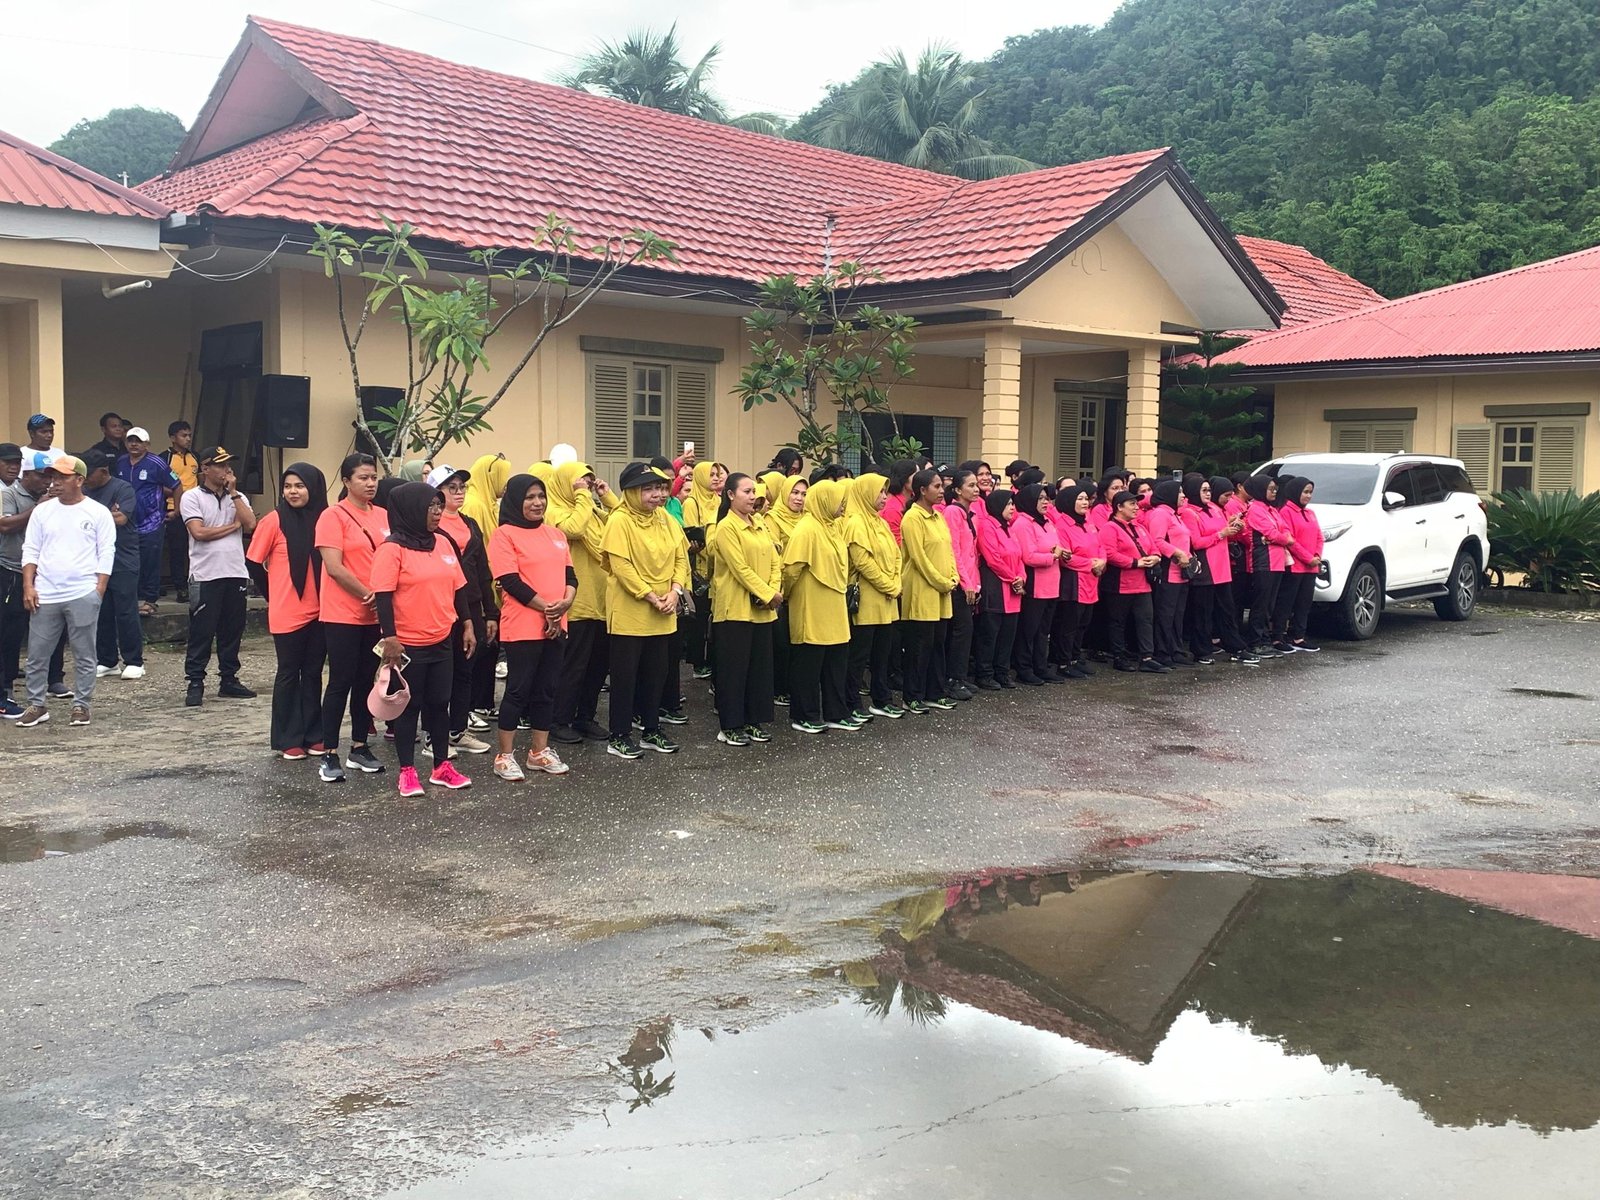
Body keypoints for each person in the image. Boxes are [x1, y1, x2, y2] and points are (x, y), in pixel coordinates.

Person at [372, 483, 475, 795]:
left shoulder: (442, 543)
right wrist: (390, 638)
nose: (437, 512)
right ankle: (407, 771)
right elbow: (383, 596)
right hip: (408, 644)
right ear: (411, 510)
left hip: (442, 638)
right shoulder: (391, 549)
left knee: (440, 703)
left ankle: (441, 767)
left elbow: (459, 587)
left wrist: (467, 623)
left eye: (439, 505)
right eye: (430, 506)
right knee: (410, 706)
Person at [488, 473, 576, 780]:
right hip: (523, 625)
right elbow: (510, 581)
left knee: (547, 690)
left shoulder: (556, 534)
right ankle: (504, 755)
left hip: (556, 623)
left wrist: (566, 602)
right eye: (529, 497)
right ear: (515, 501)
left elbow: (570, 576)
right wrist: (549, 609)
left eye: (541, 496)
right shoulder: (504, 535)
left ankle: (539, 751)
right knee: (518, 690)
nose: (537, 502)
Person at [17, 454, 114, 727]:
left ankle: (82, 705)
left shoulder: (97, 512)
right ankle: (36, 705)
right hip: (45, 592)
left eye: (63, 477)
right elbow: (30, 549)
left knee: (84, 654)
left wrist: (98, 589)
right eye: (53, 477)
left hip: (82, 591)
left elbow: (106, 551)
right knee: (37, 654)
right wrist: (28, 585)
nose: (55, 482)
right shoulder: (42, 511)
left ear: (79, 480)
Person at [602, 462, 688, 758]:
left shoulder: (665, 518)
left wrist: (675, 591)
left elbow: (681, 558)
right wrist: (651, 596)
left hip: (664, 608)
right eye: (648, 489)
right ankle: (619, 735)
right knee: (625, 677)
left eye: (661, 488)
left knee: (656, 674)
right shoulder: (620, 520)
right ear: (630, 492)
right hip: (630, 611)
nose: (658, 494)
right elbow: (621, 567)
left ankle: (651, 729)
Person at [245, 462, 328, 759]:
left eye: (300, 486)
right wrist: (272, 592)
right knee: (289, 673)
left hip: (322, 610)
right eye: (288, 486)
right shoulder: (274, 520)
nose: (293, 492)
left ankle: (314, 734)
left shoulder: (326, 519)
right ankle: (288, 738)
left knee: (314, 673)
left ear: (314, 488)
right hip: (288, 611)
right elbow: (254, 561)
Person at [315, 453, 389, 783]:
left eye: (373, 477)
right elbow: (334, 567)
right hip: (343, 613)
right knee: (340, 681)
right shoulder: (333, 516)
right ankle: (329, 752)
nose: (370, 483)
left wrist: (384, 598)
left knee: (365, 680)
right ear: (346, 481)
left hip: (375, 614)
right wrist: (369, 594)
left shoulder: (384, 516)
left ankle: (359, 746)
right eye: (363, 477)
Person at [180, 446, 257, 706]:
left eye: (228, 465)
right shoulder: (191, 497)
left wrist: (234, 494)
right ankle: (195, 681)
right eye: (220, 465)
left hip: (235, 571)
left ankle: (229, 679)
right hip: (206, 574)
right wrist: (232, 526)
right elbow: (199, 532)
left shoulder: (238, 497)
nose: (227, 470)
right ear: (205, 469)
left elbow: (250, 524)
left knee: (232, 629)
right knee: (202, 631)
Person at [548, 460, 617, 745]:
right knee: (573, 667)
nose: (586, 485)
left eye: (589, 480)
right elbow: (574, 529)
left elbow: (621, 522)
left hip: (602, 601)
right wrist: (582, 496)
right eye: (580, 480)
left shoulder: (592, 510)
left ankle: (585, 717)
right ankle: (559, 719)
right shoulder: (555, 511)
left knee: (597, 666)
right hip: (576, 604)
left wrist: (606, 496)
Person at [708, 472, 780, 746]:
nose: (753, 497)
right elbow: (739, 568)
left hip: (762, 609)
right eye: (746, 492)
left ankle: (753, 720)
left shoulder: (759, 523)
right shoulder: (726, 528)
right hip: (735, 609)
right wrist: (767, 593)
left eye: (754, 492)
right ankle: (730, 725)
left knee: (758, 668)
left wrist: (773, 590)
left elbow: (775, 560)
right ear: (730, 495)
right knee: (734, 670)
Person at [432, 463, 498, 756]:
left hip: (470, 605)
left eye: (462, 488)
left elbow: (483, 570)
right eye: (451, 488)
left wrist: (490, 611)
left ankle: (457, 730)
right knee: (440, 674)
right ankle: (434, 736)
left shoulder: (470, 524)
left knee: (465, 669)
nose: (459, 493)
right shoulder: (430, 525)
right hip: (440, 605)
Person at [782, 478, 855, 733]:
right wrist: (786, 596)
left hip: (834, 605)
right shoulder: (807, 528)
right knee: (809, 661)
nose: (843, 506)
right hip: (811, 604)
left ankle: (836, 712)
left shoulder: (831, 526)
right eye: (839, 501)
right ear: (825, 501)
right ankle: (805, 715)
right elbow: (791, 569)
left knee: (836, 659)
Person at [842, 471, 903, 721]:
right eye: (879, 492)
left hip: (886, 600)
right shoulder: (855, 522)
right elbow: (863, 562)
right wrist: (890, 586)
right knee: (859, 655)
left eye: (885, 492)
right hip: (867, 599)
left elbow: (897, 555)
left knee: (882, 653)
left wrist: (895, 582)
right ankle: (852, 701)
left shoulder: (879, 521)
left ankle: (882, 699)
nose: (884, 497)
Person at [899, 467, 960, 714]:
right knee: (919, 647)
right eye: (936, 486)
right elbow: (919, 558)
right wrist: (942, 582)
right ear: (922, 490)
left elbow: (948, 550)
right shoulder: (912, 518)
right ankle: (912, 696)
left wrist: (953, 576)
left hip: (941, 591)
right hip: (922, 590)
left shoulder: (938, 517)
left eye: (941, 486)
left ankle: (935, 692)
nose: (941, 490)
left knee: (937, 644)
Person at [1180, 475, 1256, 665]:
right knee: (1203, 612)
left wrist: (1234, 527)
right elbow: (1196, 542)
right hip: (1206, 568)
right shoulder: (1190, 512)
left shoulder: (1214, 508)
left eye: (1209, 490)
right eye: (1203, 490)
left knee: (1227, 611)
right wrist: (1221, 534)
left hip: (1222, 568)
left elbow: (1226, 534)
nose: (1207, 494)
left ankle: (1235, 647)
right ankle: (1201, 650)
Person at [82, 451, 145, 681]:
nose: (85, 479)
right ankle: (107, 660)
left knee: (126, 610)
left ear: (103, 471)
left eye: (89, 474)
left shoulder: (122, 488)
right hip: (94, 560)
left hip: (123, 558)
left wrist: (90, 517)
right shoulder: (85, 490)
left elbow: (121, 518)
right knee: (101, 611)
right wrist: (106, 513)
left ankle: (134, 661)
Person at [1, 445, 50, 718]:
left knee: (18, 634)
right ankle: (4, 694)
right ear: (28, 475)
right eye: (41, 475)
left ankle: (12, 688)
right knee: (6, 632)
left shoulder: (50, 496)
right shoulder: (8, 493)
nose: (47, 481)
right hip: (9, 570)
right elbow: (5, 525)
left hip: (38, 573)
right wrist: (38, 508)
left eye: (16, 462)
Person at [461, 452, 511, 718]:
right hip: (480, 588)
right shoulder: (474, 504)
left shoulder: (488, 503)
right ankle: (469, 706)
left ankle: (483, 702)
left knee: (490, 646)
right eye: (502, 475)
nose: (505, 481)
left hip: (491, 586)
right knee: (478, 647)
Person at [113, 427, 181, 615]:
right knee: (128, 561)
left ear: (147, 444)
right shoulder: (121, 462)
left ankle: (150, 600)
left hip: (152, 522)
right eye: (130, 440)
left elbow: (176, 485)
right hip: (127, 522)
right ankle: (131, 598)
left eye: (139, 441)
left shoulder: (156, 463)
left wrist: (176, 510)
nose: (134, 444)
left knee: (150, 562)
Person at [1099, 489, 1165, 673]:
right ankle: (1118, 657)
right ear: (1119, 507)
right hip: (1120, 584)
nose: (1136, 507)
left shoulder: (1139, 527)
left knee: (1146, 620)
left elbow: (1153, 547)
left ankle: (1147, 657)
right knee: (1117, 622)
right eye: (1132, 504)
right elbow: (1110, 553)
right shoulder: (1110, 528)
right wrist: (1135, 563)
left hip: (1142, 583)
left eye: (1136, 504)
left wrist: (1155, 557)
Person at [1009, 482, 1067, 685]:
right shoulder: (1023, 523)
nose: (1045, 502)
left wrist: (1061, 553)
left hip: (1051, 583)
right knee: (1029, 630)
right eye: (1040, 498)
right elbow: (1029, 556)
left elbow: (1054, 546)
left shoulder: (1047, 522)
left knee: (1043, 630)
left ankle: (1040, 666)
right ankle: (1024, 668)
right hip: (1035, 583)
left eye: (1047, 498)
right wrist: (1053, 556)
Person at [762, 472, 807, 708]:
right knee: (781, 642)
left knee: (800, 642)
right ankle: (779, 688)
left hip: (805, 587)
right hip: (782, 587)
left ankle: (793, 686)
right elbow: (774, 554)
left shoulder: (807, 518)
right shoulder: (773, 518)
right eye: (795, 492)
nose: (799, 498)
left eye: (803, 494)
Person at [973, 488, 1025, 688]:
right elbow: (993, 558)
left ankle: (1002, 672)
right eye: (1009, 504)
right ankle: (985, 673)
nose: (1012, 508)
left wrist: (1021, 577)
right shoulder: (987, 526)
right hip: (995, 586)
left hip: (1013, 588)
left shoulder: (1009, 527)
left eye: (1013, 504)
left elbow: (1019, 556)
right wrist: (1013, 578)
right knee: (990, 634)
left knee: (1007, 634)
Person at [679, 460, 725, 681]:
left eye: (717, 474)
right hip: (700, 568)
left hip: (718, 566)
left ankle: (712, 661)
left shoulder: (719, 500)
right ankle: (698, 663)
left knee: (714, 619)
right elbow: (690, 534)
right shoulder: (692, 502)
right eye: (711, 474)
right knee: (699, 620)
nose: (715, 478)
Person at [1053, 484, 1104, 677]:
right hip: (1073, 581)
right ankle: (1063, 662)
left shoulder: (1088, 522)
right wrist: (1091, 563)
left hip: (1091, 579)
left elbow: (1100, 545)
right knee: (1069, 625)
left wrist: (1102, 561)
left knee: (1083, 623)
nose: (1085, 502)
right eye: (1079, 499)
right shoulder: (1062, 525)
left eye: (1086, 499)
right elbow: (1066, 558)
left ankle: (1075, 658)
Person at [1145, 480, 1194, 669]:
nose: (1183, 496)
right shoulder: (1160, 513)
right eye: (1179, 492)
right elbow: (1156, 540)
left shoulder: (1174, 514)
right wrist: (1177, 553)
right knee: (1165, 613)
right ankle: (1163, 651)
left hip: (1181, 570)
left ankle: (1175, 649)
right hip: (1168, 570)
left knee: (1177, 614)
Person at [942, 468, 981, 700]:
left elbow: (972, 553)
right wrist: (965, 582)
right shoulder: (952, 512)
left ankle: (960, 676)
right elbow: (953, 550)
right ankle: (952, 679)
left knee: (966, 631)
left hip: (970, 581)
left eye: (976, 485)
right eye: (971, 485)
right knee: (960, 630)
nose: (976, 489)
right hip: (958, 582)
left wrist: (976, 583)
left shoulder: (970, 513)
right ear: (957, 490)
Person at [1243, 475, 1292, 654]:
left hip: (1277, 561)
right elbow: (1272, 533)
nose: (1274, 492)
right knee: (1261, 604)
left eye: (1275, 489)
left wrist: (1280, 538)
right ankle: (1255, 641)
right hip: (1263, 561)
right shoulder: (1256, 509)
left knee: (1269, 604)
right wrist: (1281, 538)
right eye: (1270, 489)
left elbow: (1284, 530)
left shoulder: (1271, 509)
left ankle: (1265, 639)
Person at [1277, 477, 1323, 654]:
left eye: (1310, 492)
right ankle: (1278, 636)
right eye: (1305, 492)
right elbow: (1290, 541)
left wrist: (1316, 556)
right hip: (1295, 565)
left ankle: (1298, 636)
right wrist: (1307, 558)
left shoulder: (1310, 513)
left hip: (1311, 566)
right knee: (1286, 603)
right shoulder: (1286, 512)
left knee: (1304, 602)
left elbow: (1319, 537)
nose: (1308, 496)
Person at [161, 421, 198, 602]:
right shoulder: (164, 458)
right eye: (184, 435)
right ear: (173, 438)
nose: (188, 439)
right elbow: (158, 484)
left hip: (196, 510)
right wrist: (177, 495)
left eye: (189, 435)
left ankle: (195, 583)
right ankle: (180, 587)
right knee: (177, 549)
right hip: (173, 509)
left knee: (196, 548)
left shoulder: (195, 456)